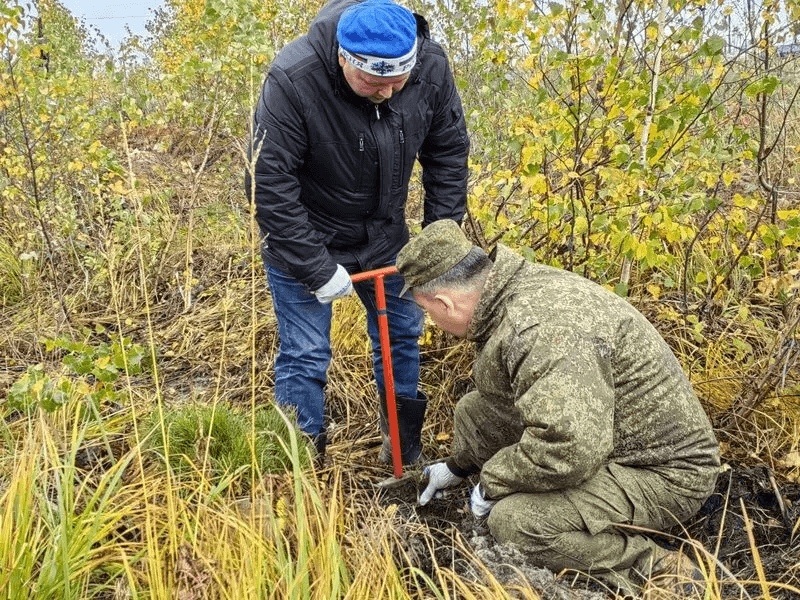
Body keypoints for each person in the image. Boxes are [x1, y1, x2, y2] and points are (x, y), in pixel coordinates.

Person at [395, 219, 721, 596]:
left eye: (427, 312)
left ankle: (657, 568)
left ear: (445, 303)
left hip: (664, 471)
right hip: (608, 434)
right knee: (475, 409)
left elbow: (570, 448)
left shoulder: (538, 329)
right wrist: (457, 468)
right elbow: (504, 407)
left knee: (515, 522)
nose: (432, 322)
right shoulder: (509, 288)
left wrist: (491, 483)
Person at [245, 0, 469, 462]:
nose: (386, 92)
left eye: (398, 81)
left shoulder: (430, 66)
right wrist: (315, 268)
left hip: (385, 237)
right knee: (306, 352)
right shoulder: (294, 78)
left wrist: (439, 241)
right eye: (372, 81)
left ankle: (403, 451)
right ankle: (298, 466)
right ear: (344, 59)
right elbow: (267, 185)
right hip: (303, 238)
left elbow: (447, 153)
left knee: (402, 334)